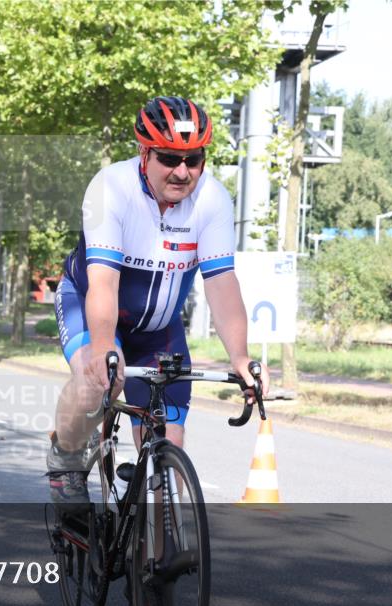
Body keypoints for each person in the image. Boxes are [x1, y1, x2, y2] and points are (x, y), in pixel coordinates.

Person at [47, 96, 270, 510]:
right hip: (91, 301)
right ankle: (65, 457)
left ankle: (155, 550)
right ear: (144, 153)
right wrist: (102, 350)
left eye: (194, 159)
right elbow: (104, 282)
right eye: (169, 158)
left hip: (158, 329)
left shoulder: (213, 200)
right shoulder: (111, 187)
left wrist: (240, 358)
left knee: (168, 455)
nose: (182, 172)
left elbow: (221, 284)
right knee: (96, 382)